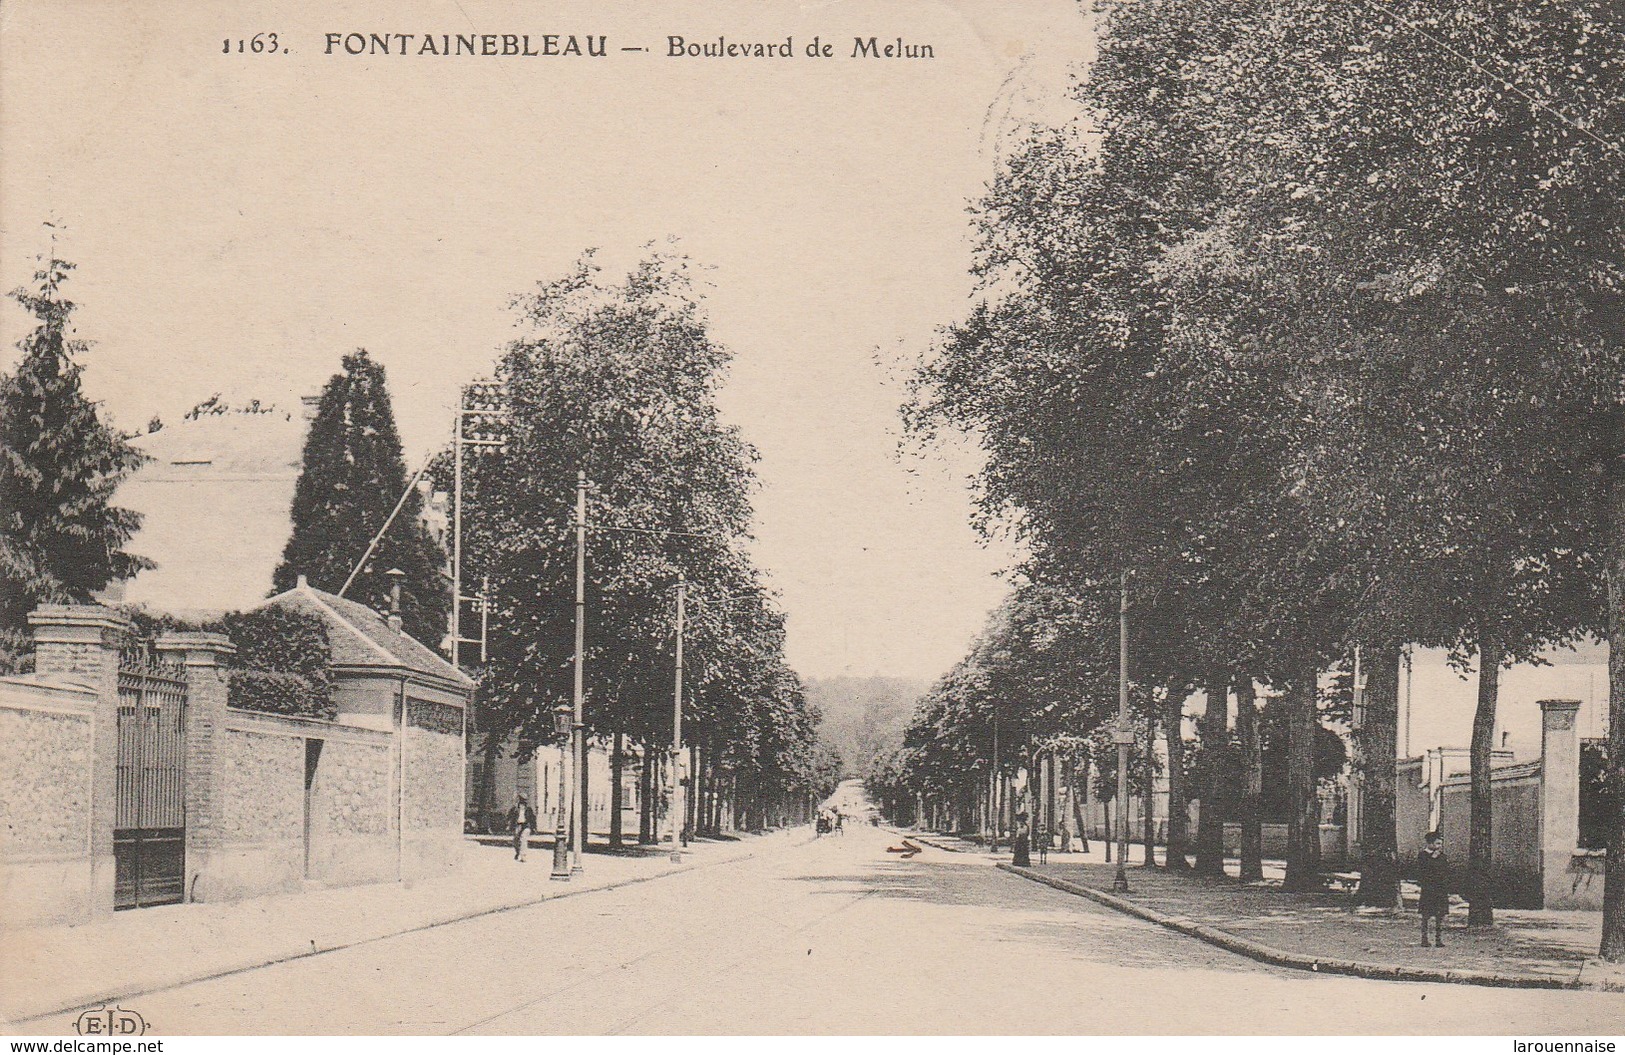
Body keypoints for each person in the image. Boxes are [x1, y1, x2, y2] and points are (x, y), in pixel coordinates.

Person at [1418, 830, 1450, 947]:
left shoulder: (1442, 856)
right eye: (1437, 843)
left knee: (1439, 915)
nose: (1439, 846)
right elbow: (1423, 871)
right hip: (1428, 889)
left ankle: (1438, 939)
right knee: (1426, 915)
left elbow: (1445, 871)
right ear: (1430, 844)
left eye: (1440, 844)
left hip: (1440, 889)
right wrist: (1433, 859)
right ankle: (1424, 939)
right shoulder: (1423, 856)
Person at [508, 795, 537, 863]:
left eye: (525, 800)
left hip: (526, 826)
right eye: (522, 800)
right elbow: (509, 816)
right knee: (515, 841)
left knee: (523, 839)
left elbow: (533, 818)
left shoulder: (528, 809)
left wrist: (534, 828)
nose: (523, 802)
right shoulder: (515, 808)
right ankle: (518, 852)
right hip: (517, 825)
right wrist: (508, 824)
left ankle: (523, 856)